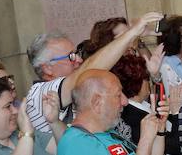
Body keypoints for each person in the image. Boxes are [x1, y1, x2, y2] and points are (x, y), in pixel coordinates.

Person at [23, 14, 163, 134]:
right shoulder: (39, 94)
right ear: (47, 68)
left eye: (76, 53)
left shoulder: (75, 90)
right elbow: (89, 70)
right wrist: (131, 32)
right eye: (70, 56)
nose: (78, 60)